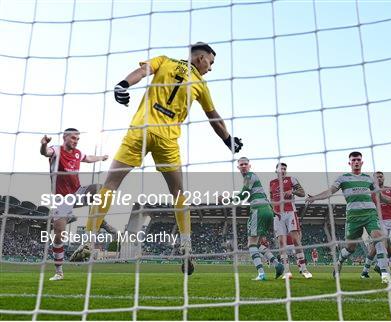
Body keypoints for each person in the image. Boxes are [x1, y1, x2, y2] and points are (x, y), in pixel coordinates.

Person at [70, 43, 243, 276]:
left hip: (140, 131)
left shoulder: (165, 60)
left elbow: (141, 72)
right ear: (200, 58)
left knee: (110, 185)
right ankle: (186, 244)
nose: (210, 68)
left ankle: (89, 242)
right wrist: (228, 139)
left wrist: (122, 85)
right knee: (178, 193)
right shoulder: (200, 84)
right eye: (210, 63)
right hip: (167, 140)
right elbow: (214, 117)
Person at [306, 151, 391, 284]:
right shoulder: (343, 178)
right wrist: (315, 197)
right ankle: (339, 262)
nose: (356, 162)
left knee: (379, 239)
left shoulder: (369, 179)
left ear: (362, 162)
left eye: (358, 160)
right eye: (354, 160)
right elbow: (330, 191)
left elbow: (381, 197)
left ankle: (385, 275)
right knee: (350, 249)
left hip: (370, 215)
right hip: (353, 217)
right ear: (350, 163)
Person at [40, 128, 109, 281]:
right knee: (59, 236)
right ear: (65, 137)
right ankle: (59, 272)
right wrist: (44, 144)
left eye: (77, 139)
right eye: (73, 138)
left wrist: (101, 157)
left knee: (99, 189)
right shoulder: (56, 151)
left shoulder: (77, 153)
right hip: (62, 199)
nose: (76, 141)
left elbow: (88, 158)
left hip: (78, 192)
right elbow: (45, 152)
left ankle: (100, 221)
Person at [236, 157, 284, 281]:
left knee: (251, 243)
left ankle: (261, 273)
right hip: (267, 210)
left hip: (258, 210)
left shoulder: (249, 176)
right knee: (258, 244)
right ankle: (277, 264)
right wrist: (272, 211)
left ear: (249, 165)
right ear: (238, 167)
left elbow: (243, 194)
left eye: (245, 164)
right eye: (241, 164)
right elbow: (263, 195)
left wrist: (226, 200)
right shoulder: (254, 178)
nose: (243, 166)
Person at [269, 162, 312, 279]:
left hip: (290, 213)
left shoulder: (291, 179)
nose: (283, 170)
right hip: (278, 215)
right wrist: (273, 210)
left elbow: (302, 193)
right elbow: (271, 198)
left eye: (284, 169)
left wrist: (292, 192)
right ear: (276, 170)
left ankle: (304, 269)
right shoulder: (272, 183)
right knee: (281, 243)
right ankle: (287, 272)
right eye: (280, 168)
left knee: (296, 240)